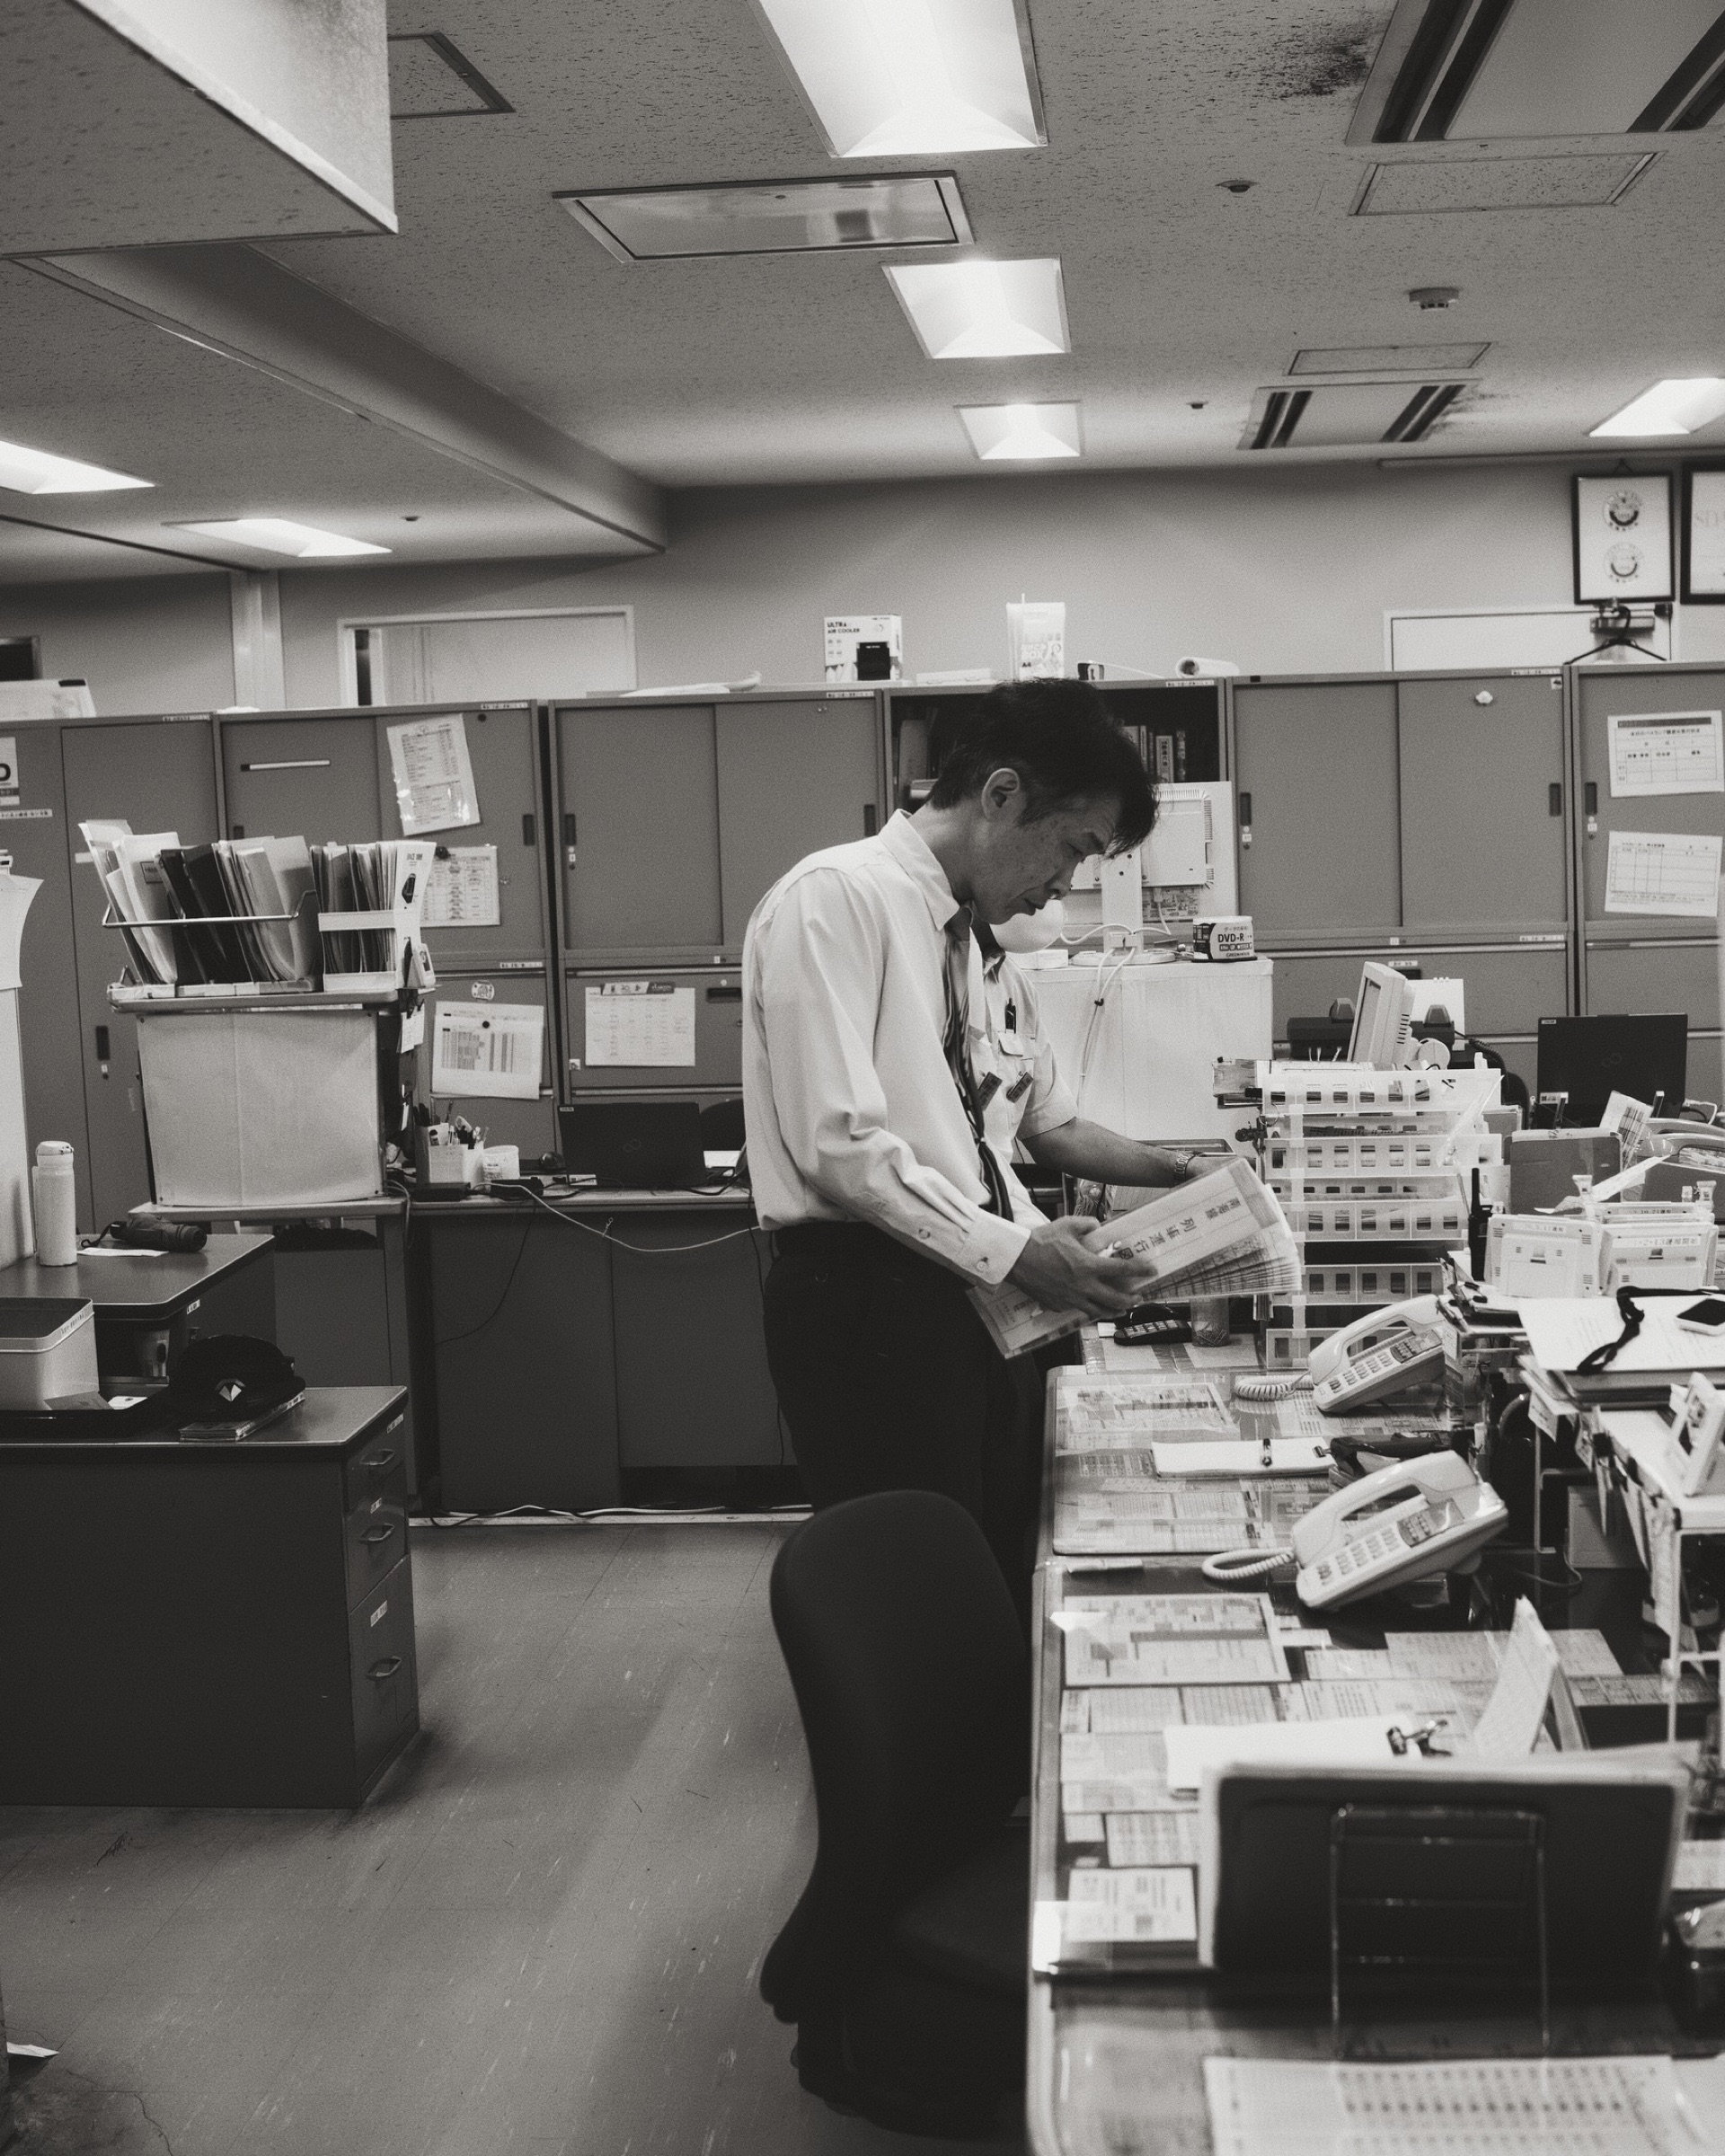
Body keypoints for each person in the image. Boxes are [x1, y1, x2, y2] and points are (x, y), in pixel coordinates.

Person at [741, 678, 1208, 1604]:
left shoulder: (971, 946)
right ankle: (924, 1753)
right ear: (1001, 796)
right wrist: (1017, 1253)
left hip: (974, 1295)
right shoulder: (837, 901)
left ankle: (995, 1747)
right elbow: (841, 1148)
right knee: (918, 1588)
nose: (1064, 887)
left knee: (999, 1564)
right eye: (1073, 849)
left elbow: (1018, 1131)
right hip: (871, 1301)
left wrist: (1167, 1191)